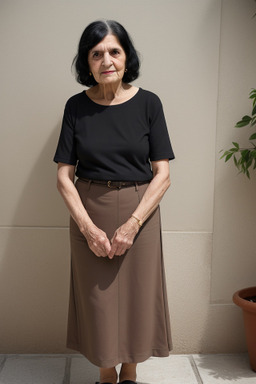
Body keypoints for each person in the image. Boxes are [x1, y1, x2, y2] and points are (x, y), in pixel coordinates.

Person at [54, 20, 175, 384]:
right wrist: (88, 228)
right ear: (87, 63)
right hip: (89, 209)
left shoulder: (149, 104)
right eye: (96, 53)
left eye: (114, 51)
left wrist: (133, 223)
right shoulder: (76, 107)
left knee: (138, 298)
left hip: (141, 210)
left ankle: (131, 373)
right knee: (98, 302)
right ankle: (107, 373)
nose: (106, 60)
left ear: (126, 57)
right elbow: (64, 176)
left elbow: (163, 173)